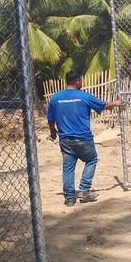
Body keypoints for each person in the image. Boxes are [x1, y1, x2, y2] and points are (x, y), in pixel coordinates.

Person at [47, 70, 123, 206]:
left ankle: (69, 198)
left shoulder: (55, 98)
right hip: (83, 138)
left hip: (65, 139)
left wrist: (53, 132)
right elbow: (104, 106)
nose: (82, 83)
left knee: (68, 167)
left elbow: (50, 119)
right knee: (91, 159)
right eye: (81, 81)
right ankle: (84, 190)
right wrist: (115, 103)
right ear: (77, 82)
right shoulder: (84, 96)